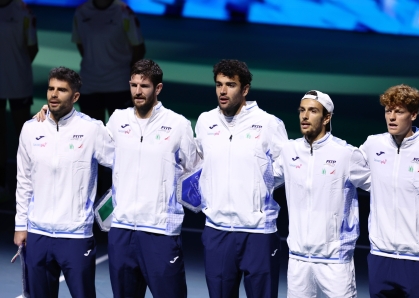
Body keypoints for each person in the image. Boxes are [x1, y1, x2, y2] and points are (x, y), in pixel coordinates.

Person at [14, 67, 113, 298]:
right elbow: (24, 181)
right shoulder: (31, 129)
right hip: (37, 234)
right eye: (51, 89)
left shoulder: (91, 129)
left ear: (75, 96)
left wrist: (116, 201)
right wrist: (21, 225)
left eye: (61, 90)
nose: (54, 95)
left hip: (76, 236)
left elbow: (124, 161)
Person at [195, 59, 288, 298]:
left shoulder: (268, 123)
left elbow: (286, 166)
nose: (223, 91)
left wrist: (260, 183)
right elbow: (199, 163)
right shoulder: (205, 121)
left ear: (245, 89)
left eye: (230, 85)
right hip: (216, 229)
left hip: (258, 231)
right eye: (218, 85)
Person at [105, 59, 197, 297]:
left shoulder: (178, 124)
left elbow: (195, 172)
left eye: (144, 86)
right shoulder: (117, 120)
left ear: (158, 89)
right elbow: (95, 149)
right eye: (133, 84)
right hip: (122, 230)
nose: (137, 91)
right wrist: (51, 115)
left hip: (160, 233)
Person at [359, 84, 419, 297]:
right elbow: (353, 171)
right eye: (388, 111)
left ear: (414, 114)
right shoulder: (373, 145)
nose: (391, 117)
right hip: (380, 255)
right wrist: (377, 186)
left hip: (418, 258)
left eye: (399, 111)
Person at [273, 90, 370, 297]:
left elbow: (381, 187)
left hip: (335, 261)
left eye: (312, 111)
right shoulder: (289, 151)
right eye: (302, 110)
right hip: (298, 259)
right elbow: (263, 180)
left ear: (327, 118)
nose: (304, 116)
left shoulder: (346, 154)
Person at [72, 0, 145, 121]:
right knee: (93, 135)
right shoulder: (81, 12)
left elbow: (139, 48)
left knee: (122, 135)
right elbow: (80, 44)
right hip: (89, 83)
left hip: (119, 84)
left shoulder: (124, 12)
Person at [0, 0, 38, 200]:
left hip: (18, 83)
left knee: (25, 136)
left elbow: (33, 48)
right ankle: (2, 183)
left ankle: (30, 186)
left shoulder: (23, 11)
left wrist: (15, 67)